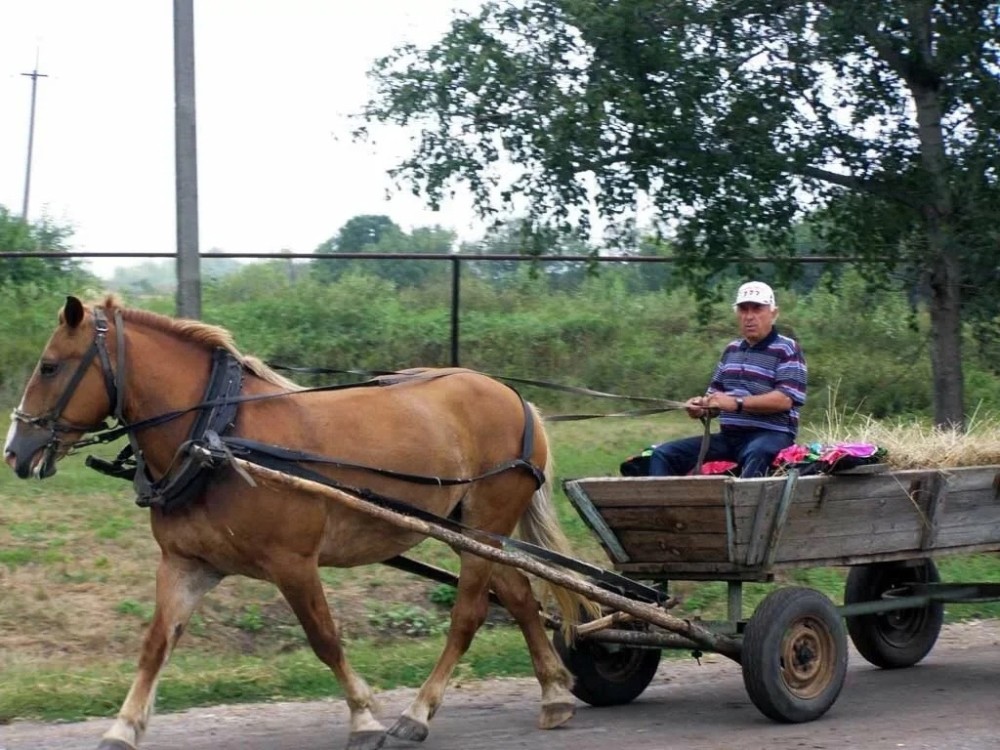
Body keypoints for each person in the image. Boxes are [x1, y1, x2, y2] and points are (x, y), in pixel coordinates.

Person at [649, 281, 807, 478]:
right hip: (729, 437)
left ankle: (745, 508)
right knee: (663, 455)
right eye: (743, 309)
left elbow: (784, 400)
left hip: (772, 436)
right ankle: (664, 507)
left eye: (757, 308)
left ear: (773, 313)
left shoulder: (787, 349)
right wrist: (701, 407)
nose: (749, 316)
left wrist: (736, 403)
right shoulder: (731, 350)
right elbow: (714, 399)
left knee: (757, 453)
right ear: (737, 314)